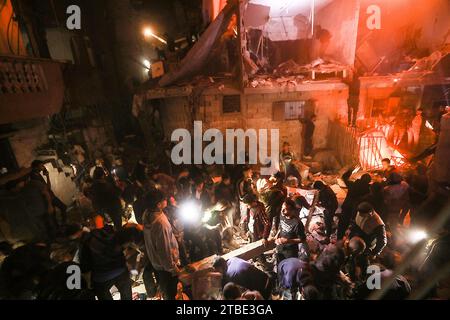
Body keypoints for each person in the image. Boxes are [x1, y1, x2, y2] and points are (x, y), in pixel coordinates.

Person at [142, 189, 180, 300]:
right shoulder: (160, 223)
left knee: (164, 288)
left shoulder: (147, 214)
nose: (166, 200)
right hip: (166, 267)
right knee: (170, 292)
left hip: (156, 263)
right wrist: (173, 268)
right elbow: (164, 250)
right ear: (158, 204)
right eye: (163, 199)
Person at [79, 221, 132, 300]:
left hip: (101, 277)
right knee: (126, 296)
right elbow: (122, 246)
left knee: (103, 295)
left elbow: (85, 265)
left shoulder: (85, 242)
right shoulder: (109, 233)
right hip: (120, 270)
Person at [337, 168, 372, 240]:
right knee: (354, 229)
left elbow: (344, 177)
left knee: (342, 225)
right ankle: (351, 244)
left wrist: (351, 170)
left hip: (347, 207)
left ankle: (339, 240)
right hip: (357, 211)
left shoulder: (352, 184)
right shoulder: (368, 189)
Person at [30, 160, 67, 228]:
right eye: (41, 166)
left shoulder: (37, 174)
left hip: (50, 196)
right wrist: (47, 176)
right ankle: (62, 226)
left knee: (54, 213)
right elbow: (47, 187)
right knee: (62, 208)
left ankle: (59, 226)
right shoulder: (34, 176)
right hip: (48, 197)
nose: (43, 167)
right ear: (36, 167)